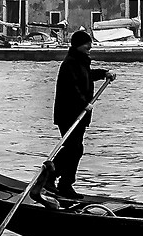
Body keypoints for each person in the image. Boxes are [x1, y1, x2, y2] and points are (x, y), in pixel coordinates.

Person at [43, 30, 114, 200]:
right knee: (73, 148)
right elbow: (72, 88)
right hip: (69, 114)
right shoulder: (70, 64)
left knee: (75, 149)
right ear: (78, 45)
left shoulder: (80, 62)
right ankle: (52, 178)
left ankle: (62, 182)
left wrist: (104, 73)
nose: (90, 47)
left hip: (79, 114)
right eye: (87, 44)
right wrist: (84, 103)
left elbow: (87, 76)